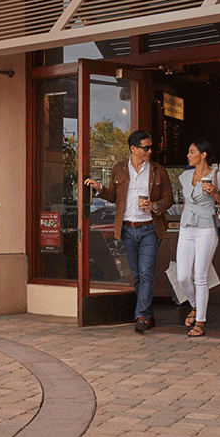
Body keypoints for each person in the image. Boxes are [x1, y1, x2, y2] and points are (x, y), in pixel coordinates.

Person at [84, 129, 176, 334]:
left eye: (151, 147)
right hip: (127, 228)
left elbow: (169, 199)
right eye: (146, 148)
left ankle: (141, 315)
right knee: (136, 273)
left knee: (146, 272)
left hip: (150, 229)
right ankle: (148, 314)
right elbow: (114, 197)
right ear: (133, 149)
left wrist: (154, 206)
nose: (150, 151)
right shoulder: (119, 169)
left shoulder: (158, 171)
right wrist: (99, 188)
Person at [175, 139, 220, 338]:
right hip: (186, 228)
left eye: (192, 152)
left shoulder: (217, 176)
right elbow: (185, 204)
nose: (188, 155)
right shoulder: (185, 176)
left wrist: (215, 192)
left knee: (200, 276)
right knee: (182, 276)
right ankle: (194, 305)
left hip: (206, 228)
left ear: (203, 155)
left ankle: (200, 321)